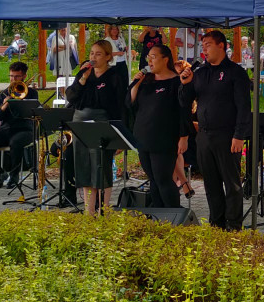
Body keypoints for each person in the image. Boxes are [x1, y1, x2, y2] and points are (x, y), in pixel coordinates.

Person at [178, 30, 251, 230]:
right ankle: (217, 223)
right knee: (211, 184)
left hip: (228, 135)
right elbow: (184, 103)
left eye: (208, 45)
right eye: (202, 46)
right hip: (204, 136)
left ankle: (234, 225)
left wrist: (239, 135)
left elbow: (244, 107)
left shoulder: (235, 72)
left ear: (222, 46)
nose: (204, 49)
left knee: (232, 183)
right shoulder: (200, 73)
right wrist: (184, 84)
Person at [128, 45, 191, 208]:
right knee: (153, 180)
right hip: (143, 137)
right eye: (148, 56)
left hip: (164, 138)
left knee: (163, 179)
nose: (149, 60)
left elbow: (184, 111)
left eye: (154, 56)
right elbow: (130, 103)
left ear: (165, 59)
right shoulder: (146, 81)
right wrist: (136, 82)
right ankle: (159, 218)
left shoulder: (176, 82)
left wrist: (184, 137)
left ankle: (174, 216)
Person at [65, 40, 124, 215]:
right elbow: (71, 96)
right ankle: (89, 211)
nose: (93, 57)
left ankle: (104, 210)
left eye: (98, 54)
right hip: (81, 123)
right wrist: (83, 77)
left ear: (108, 57)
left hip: (102, 124)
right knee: (84, 167)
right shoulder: (84, 74)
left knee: (101, 166)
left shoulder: (115, 76)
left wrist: (119, 135)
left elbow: (121, 105)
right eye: (91, 53)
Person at [0, 61, 38, 189]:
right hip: (6, 129)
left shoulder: (31, 92)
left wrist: (21, 100)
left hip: (25, 129)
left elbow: (32, 112)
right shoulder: (4, 93)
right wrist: (4, 105)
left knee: (16, 143)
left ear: (24, 77)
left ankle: (14, 176)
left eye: (17, 77)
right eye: (11, 76)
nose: (13, 80)